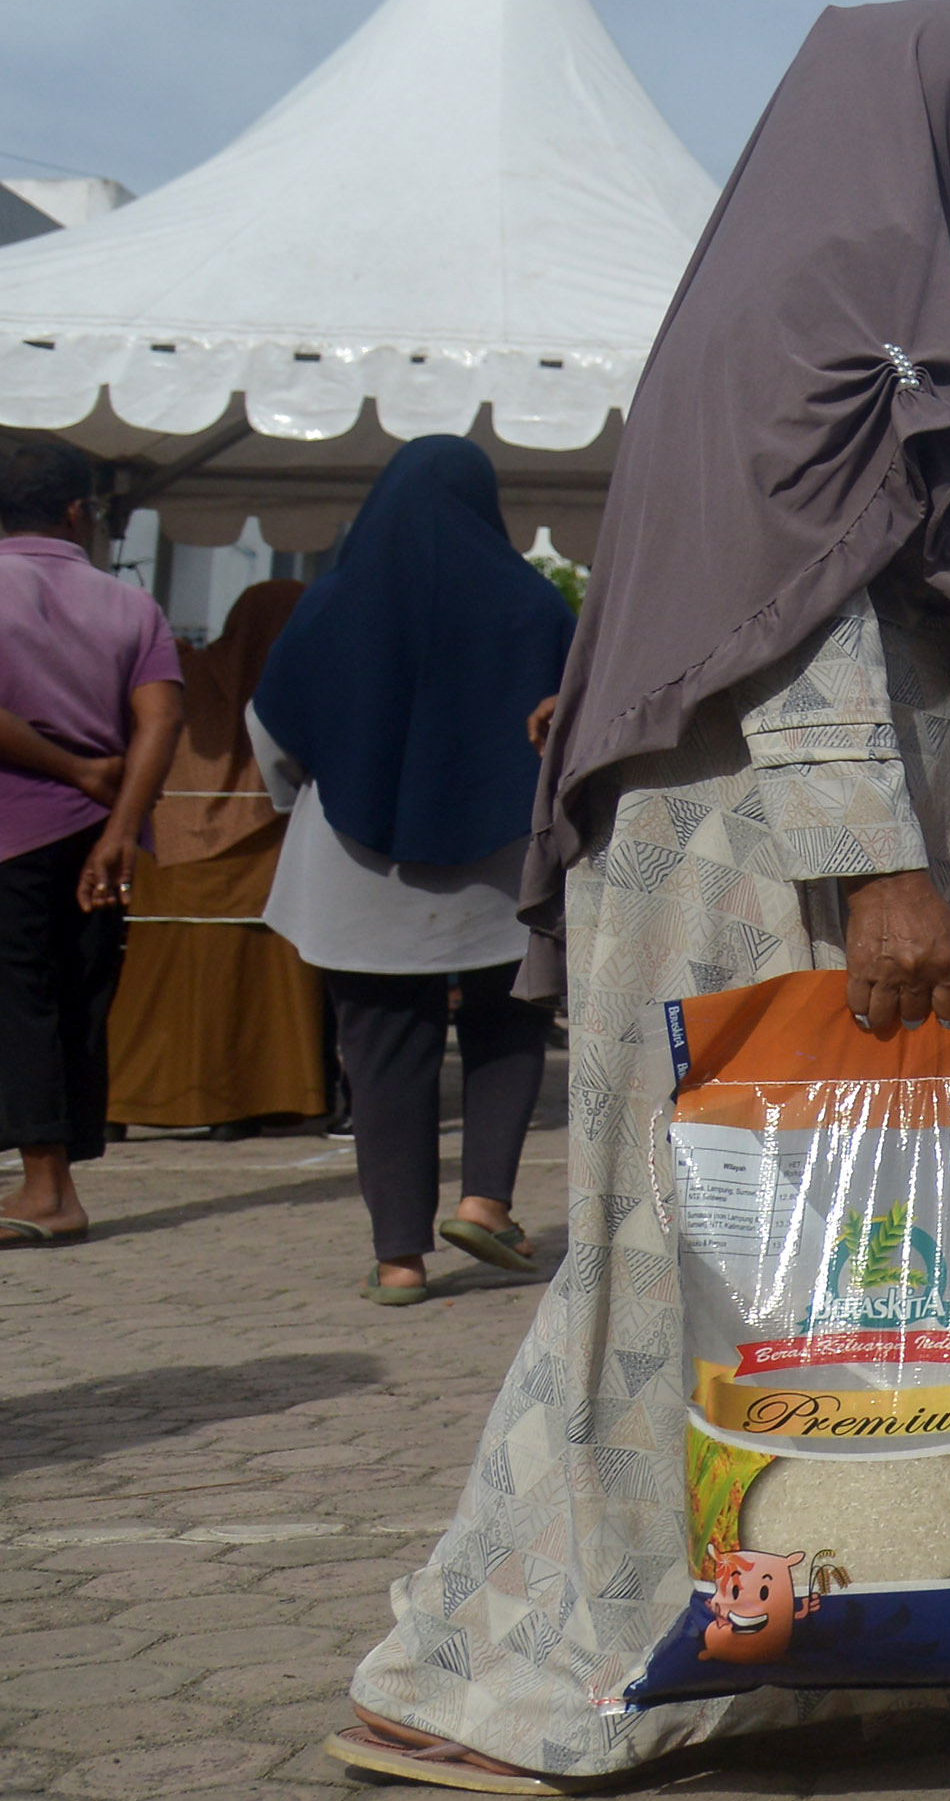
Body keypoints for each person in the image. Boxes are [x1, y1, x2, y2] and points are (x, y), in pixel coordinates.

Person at [336, 0, 950, 1795]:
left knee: (939, 1222)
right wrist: (879, 865)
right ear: (946, 126)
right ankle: (474, 1676)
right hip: (759, 848)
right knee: (688, 1255)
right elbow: (811, 617)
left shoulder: (867, 293)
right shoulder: (823, 310)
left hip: (804, 838)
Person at [248, 437, 576, 1304]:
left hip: (359, 867)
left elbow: (273, 736)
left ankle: (398, 1256)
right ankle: (486, 1201)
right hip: (502, 862)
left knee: (384, 1050)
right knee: (510, 1025)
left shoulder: (329, 606)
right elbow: (576, 728)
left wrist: (306, 803)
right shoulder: (536, 607)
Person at [0, 434, 182, 1248]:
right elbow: (162, 718)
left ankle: (46, 1188)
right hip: (98, 840)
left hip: (11, 828)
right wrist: (116, 824)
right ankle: (57, 1176)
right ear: (79, 511)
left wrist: (74, 769)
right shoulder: (130, 605)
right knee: (76, 1001)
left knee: (21, 1005)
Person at [106, 576, 328, 1134]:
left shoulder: (181, 674)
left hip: (169, 853)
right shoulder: (299, 687)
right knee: (250, 989)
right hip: (262, 857)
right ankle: (246, 1103)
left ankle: (123, 1100)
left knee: (149, 993)